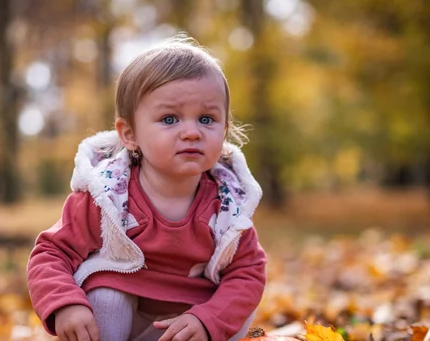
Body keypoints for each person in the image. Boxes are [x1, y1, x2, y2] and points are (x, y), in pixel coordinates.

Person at [27, 34, 267, 341]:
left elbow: (248, 271)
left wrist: (209, 320)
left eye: (207, 118)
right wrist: (64, 304)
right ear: (129, 134)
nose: (192, 132)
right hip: (125, 314)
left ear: (224, 131)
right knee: (105, 297)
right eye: (170, 119)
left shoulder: (229, 203)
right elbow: (51, 251)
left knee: (237, 310)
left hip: (193, 319)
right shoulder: (106, 194)